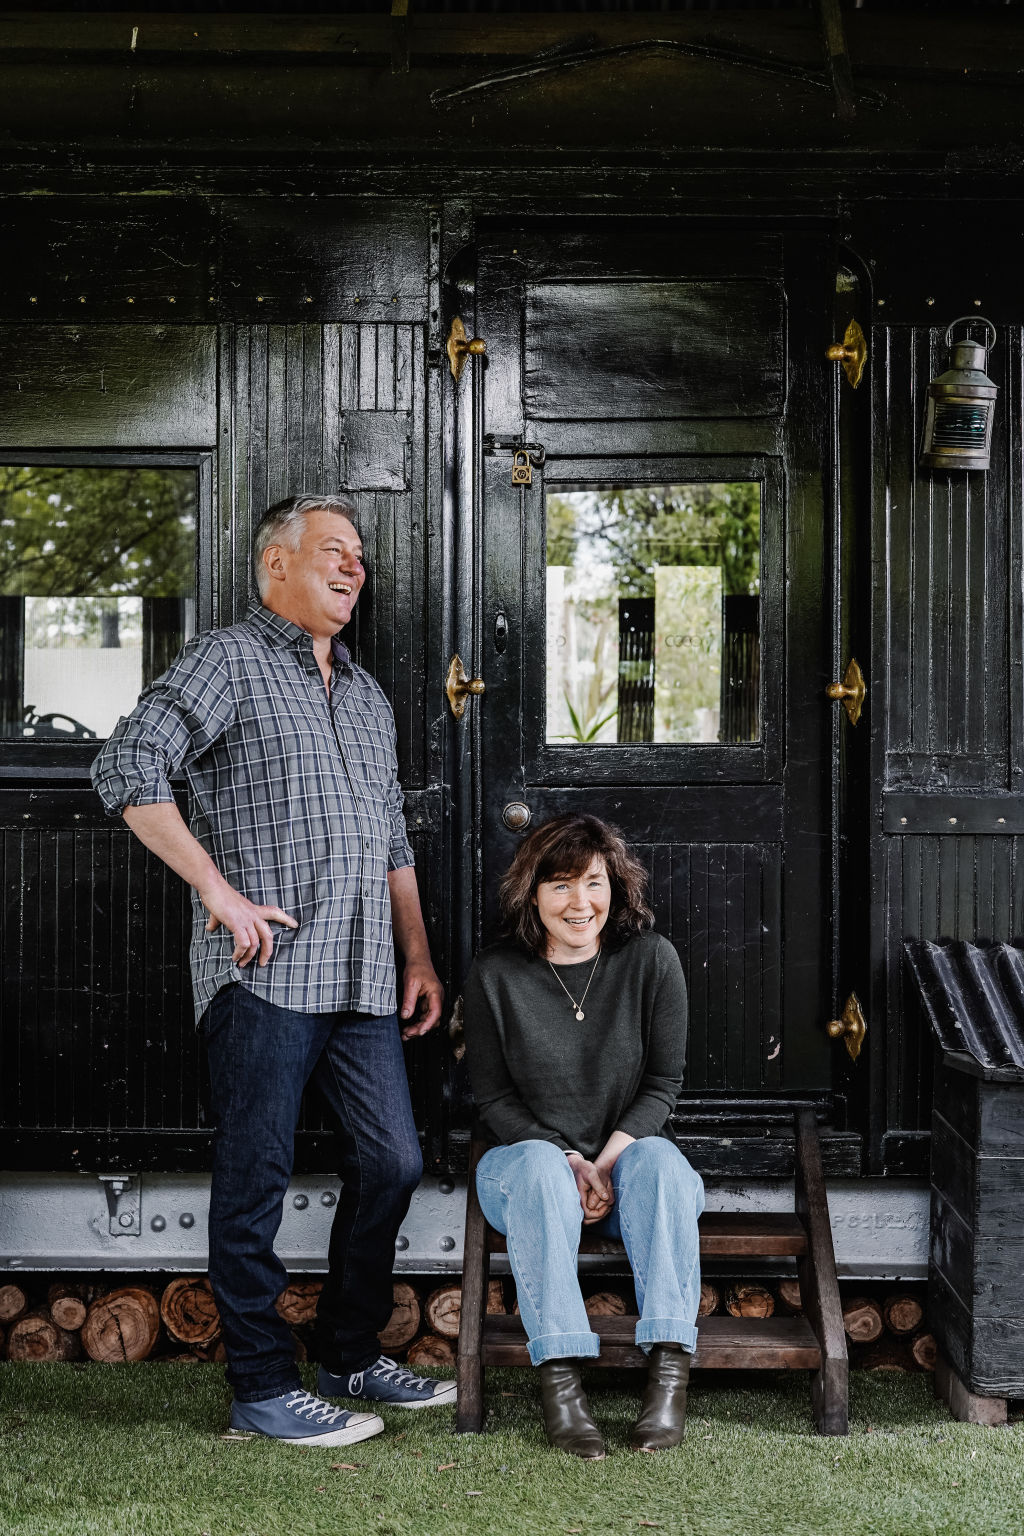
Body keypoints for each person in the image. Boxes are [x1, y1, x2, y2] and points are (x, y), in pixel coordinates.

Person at [91, 493, 455, 1447]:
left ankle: (344, 1353)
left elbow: (389, 837)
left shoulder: (368, 695)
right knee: (254, 1175)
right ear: (274, 565)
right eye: (333, 552)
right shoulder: (228, 660)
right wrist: (216, 889)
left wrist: (416, 955)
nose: (353, 570)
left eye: (361, 560)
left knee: (395, 1160)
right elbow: (128, 764)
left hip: (364, 974)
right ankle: (258, 1385)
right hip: (261, 972)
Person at [461, 814, 703, 1458]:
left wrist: (605, 1162)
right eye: (560, 885)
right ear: (531, 893)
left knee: (664, 1164)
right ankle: (563, 1389)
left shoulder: (651, 960)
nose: (579, 903)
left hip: (624, 1172)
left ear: (615, 887)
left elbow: (663, 1083)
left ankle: (668, 1380)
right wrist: (569, 1160)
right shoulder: (494, 973)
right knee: (541, 1166)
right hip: (527, 1173)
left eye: (593, 883)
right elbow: (493, 1099)